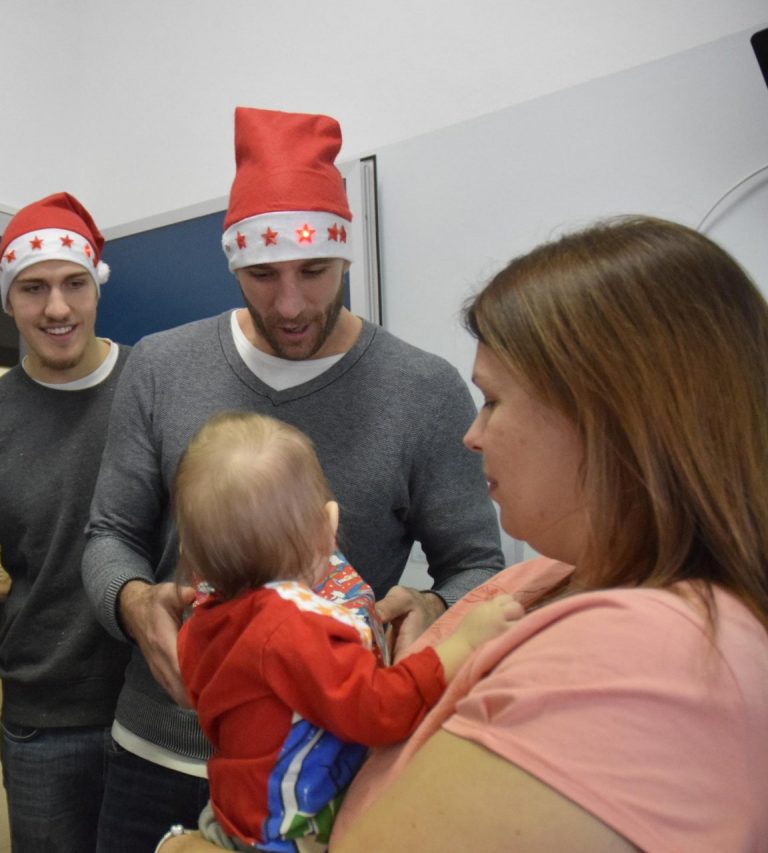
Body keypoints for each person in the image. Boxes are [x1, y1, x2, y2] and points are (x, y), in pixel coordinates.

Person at [163, 216, 768, 852]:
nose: (472, 436)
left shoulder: (647, 660)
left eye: (493, 401)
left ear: (609, 418)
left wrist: (181, 847)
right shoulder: (550, 575)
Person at [82, 105, 504, 849]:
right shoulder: (160, 365)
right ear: (232, 265)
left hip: (322, 778)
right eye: (261, 274)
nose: (290, 303)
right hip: (156, 749)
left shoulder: (423, 389)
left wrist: (433, 605)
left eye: (313, 271)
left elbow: (477, 563)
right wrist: (134, 602)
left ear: (346, 257)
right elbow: (108, 533)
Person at [175, 411, 521, 851]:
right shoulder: (293, 627)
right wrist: (461, 645)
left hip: (232, 816)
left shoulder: (206, 622)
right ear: (328, 528)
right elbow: (378, 710)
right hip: (290, 833)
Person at [0, 192, 133, 853]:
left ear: (96, 288)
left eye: (74, 283)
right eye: (33, 288)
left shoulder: (154, 387)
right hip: (43, 730)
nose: (57, 308)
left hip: (162, 715)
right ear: (8, 301)